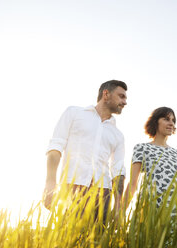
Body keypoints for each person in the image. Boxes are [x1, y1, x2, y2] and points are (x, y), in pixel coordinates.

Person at [43, 80, 128, 221]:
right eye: (121, 96)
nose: (125, 102)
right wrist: (50, 184)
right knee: (65, 240)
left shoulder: (118, 135)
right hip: (71, 187)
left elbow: (118, 170)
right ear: (106, 94)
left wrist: (118, 206)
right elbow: (55, 147)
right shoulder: (74, 113)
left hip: (103, 195)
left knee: (96, 242)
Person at [123, 107, 177, 219]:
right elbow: (133, 183)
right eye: (166, 119)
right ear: (156, 121)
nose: (171, 123)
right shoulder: (142, 148)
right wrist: (120, 213)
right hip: (154, 209)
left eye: (173, 121)